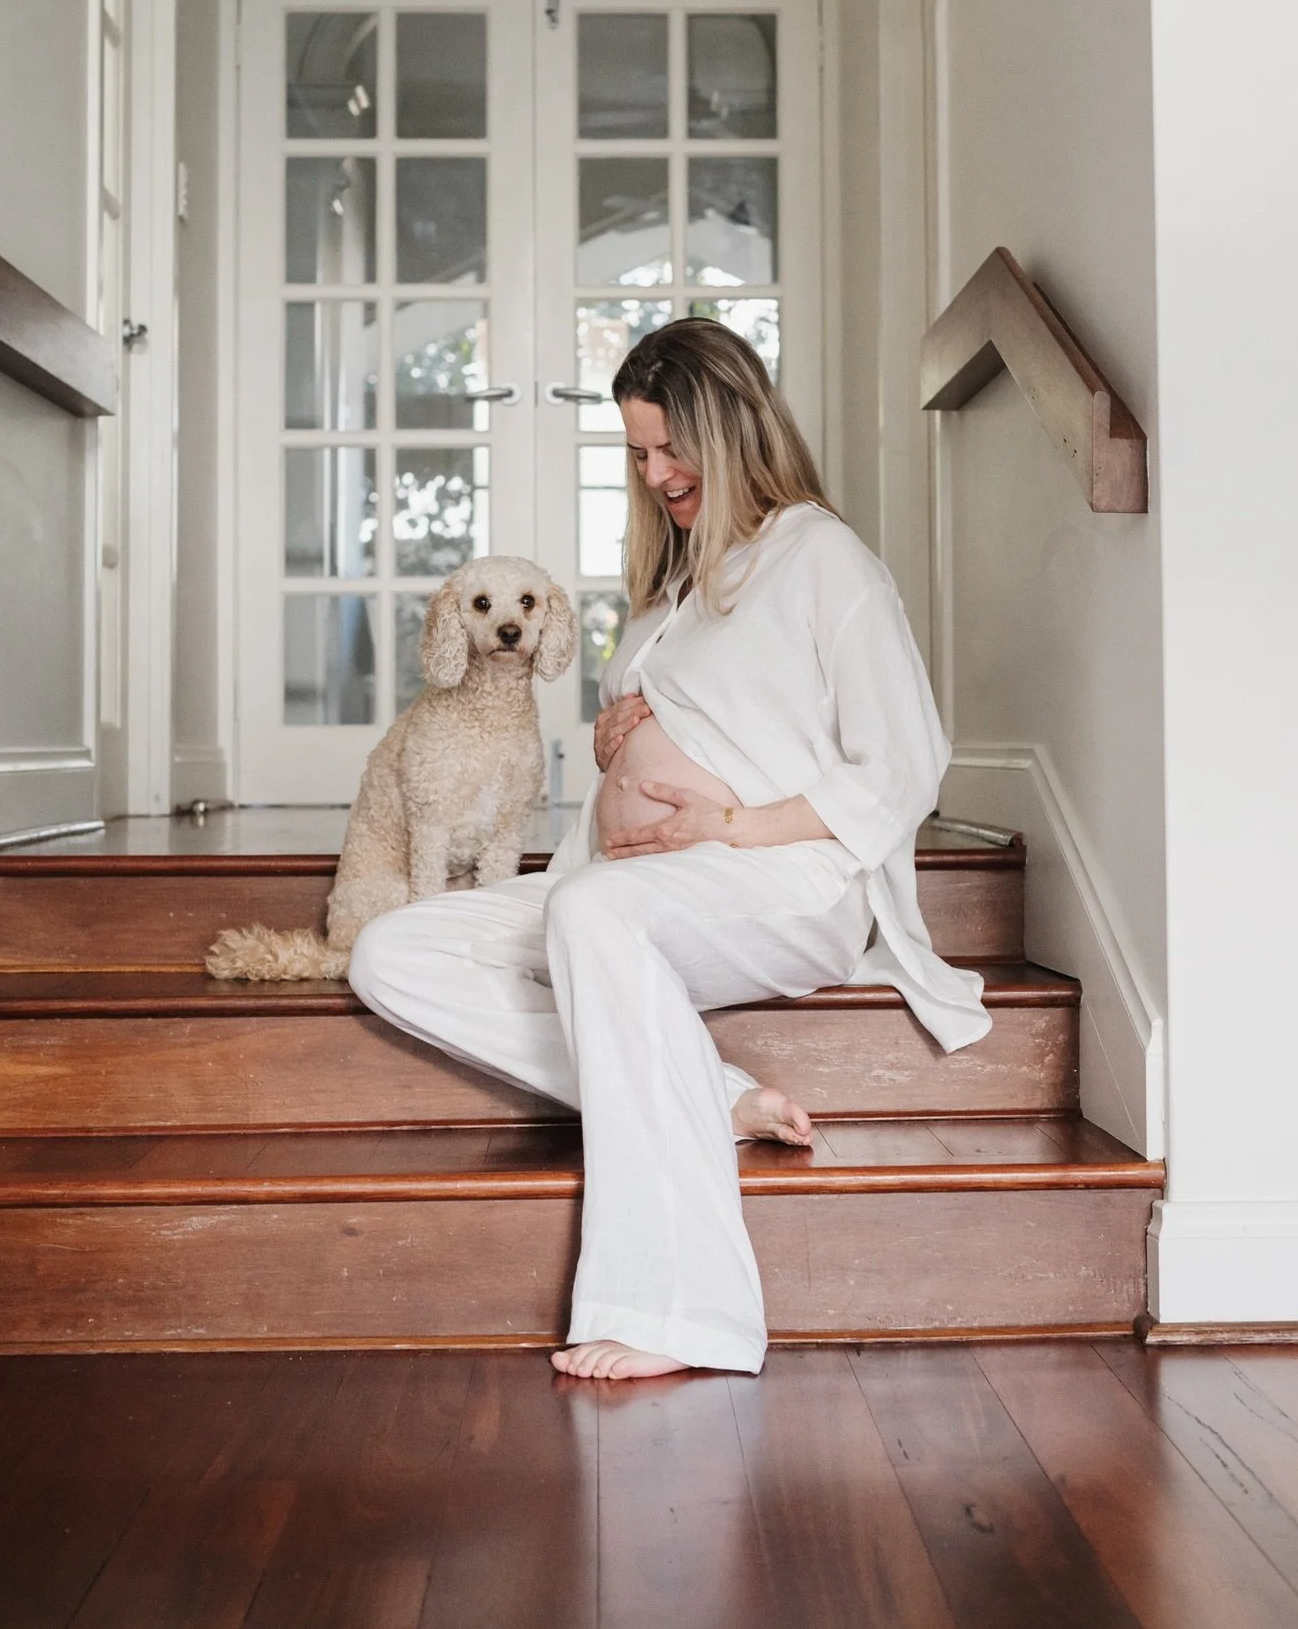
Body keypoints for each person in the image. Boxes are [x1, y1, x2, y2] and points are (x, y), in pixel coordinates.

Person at [350, 318, 990, 1380]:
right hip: (630, 885)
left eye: (670, 449)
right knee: (394, 953)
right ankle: (712, 1091)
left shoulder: (823, 557)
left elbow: (905, 763)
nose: (655, 476)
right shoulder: (683, 584)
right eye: (639, 454)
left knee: (591, 916)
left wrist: (728, 822)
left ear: (732, 428)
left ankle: (681, 1308)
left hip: (785, 880)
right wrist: (625, 730)